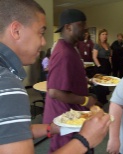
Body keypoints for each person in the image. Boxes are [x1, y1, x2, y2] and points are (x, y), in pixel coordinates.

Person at [0, 1, 111, 154]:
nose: (44, 42)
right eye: (41, 32)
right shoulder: (7, 86)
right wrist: (85, 140)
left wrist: (50, 128)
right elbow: (54, 91)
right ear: (16, 30)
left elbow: (7, 133)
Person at [43, 9, 99, 153]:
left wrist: (84, 79)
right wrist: (86, 101)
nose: (85, 29)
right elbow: (54, 92)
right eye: (82, 25)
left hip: (72, 115)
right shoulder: (64, 53)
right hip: (65, 118)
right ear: (68, 27)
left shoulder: (71, 48)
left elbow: (68, 76)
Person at [92, 29, 111, 105]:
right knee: (100, 84)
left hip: (107, 65)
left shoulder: (107, 45)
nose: (104, 36)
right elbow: (94, 57)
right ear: (99, 36)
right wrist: (99, 66)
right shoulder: (97, 45)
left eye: (106, 34)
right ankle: (100, 100)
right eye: (103, 34)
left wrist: (110, 64)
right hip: (100, 64)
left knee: (106, 82)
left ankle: (104, 98)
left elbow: (109, 56)